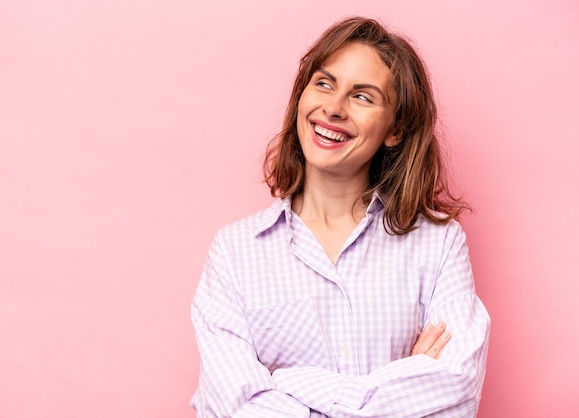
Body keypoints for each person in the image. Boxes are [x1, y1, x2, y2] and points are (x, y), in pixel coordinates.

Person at [190, 16, 490, 417]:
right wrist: (402, 383)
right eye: (324, 84)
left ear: (395, 129)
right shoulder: (234, 253)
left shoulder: (439, 244)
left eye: (362, 97)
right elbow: (233, 407)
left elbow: (454, 394)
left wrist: (287, 381)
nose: (332, 108)